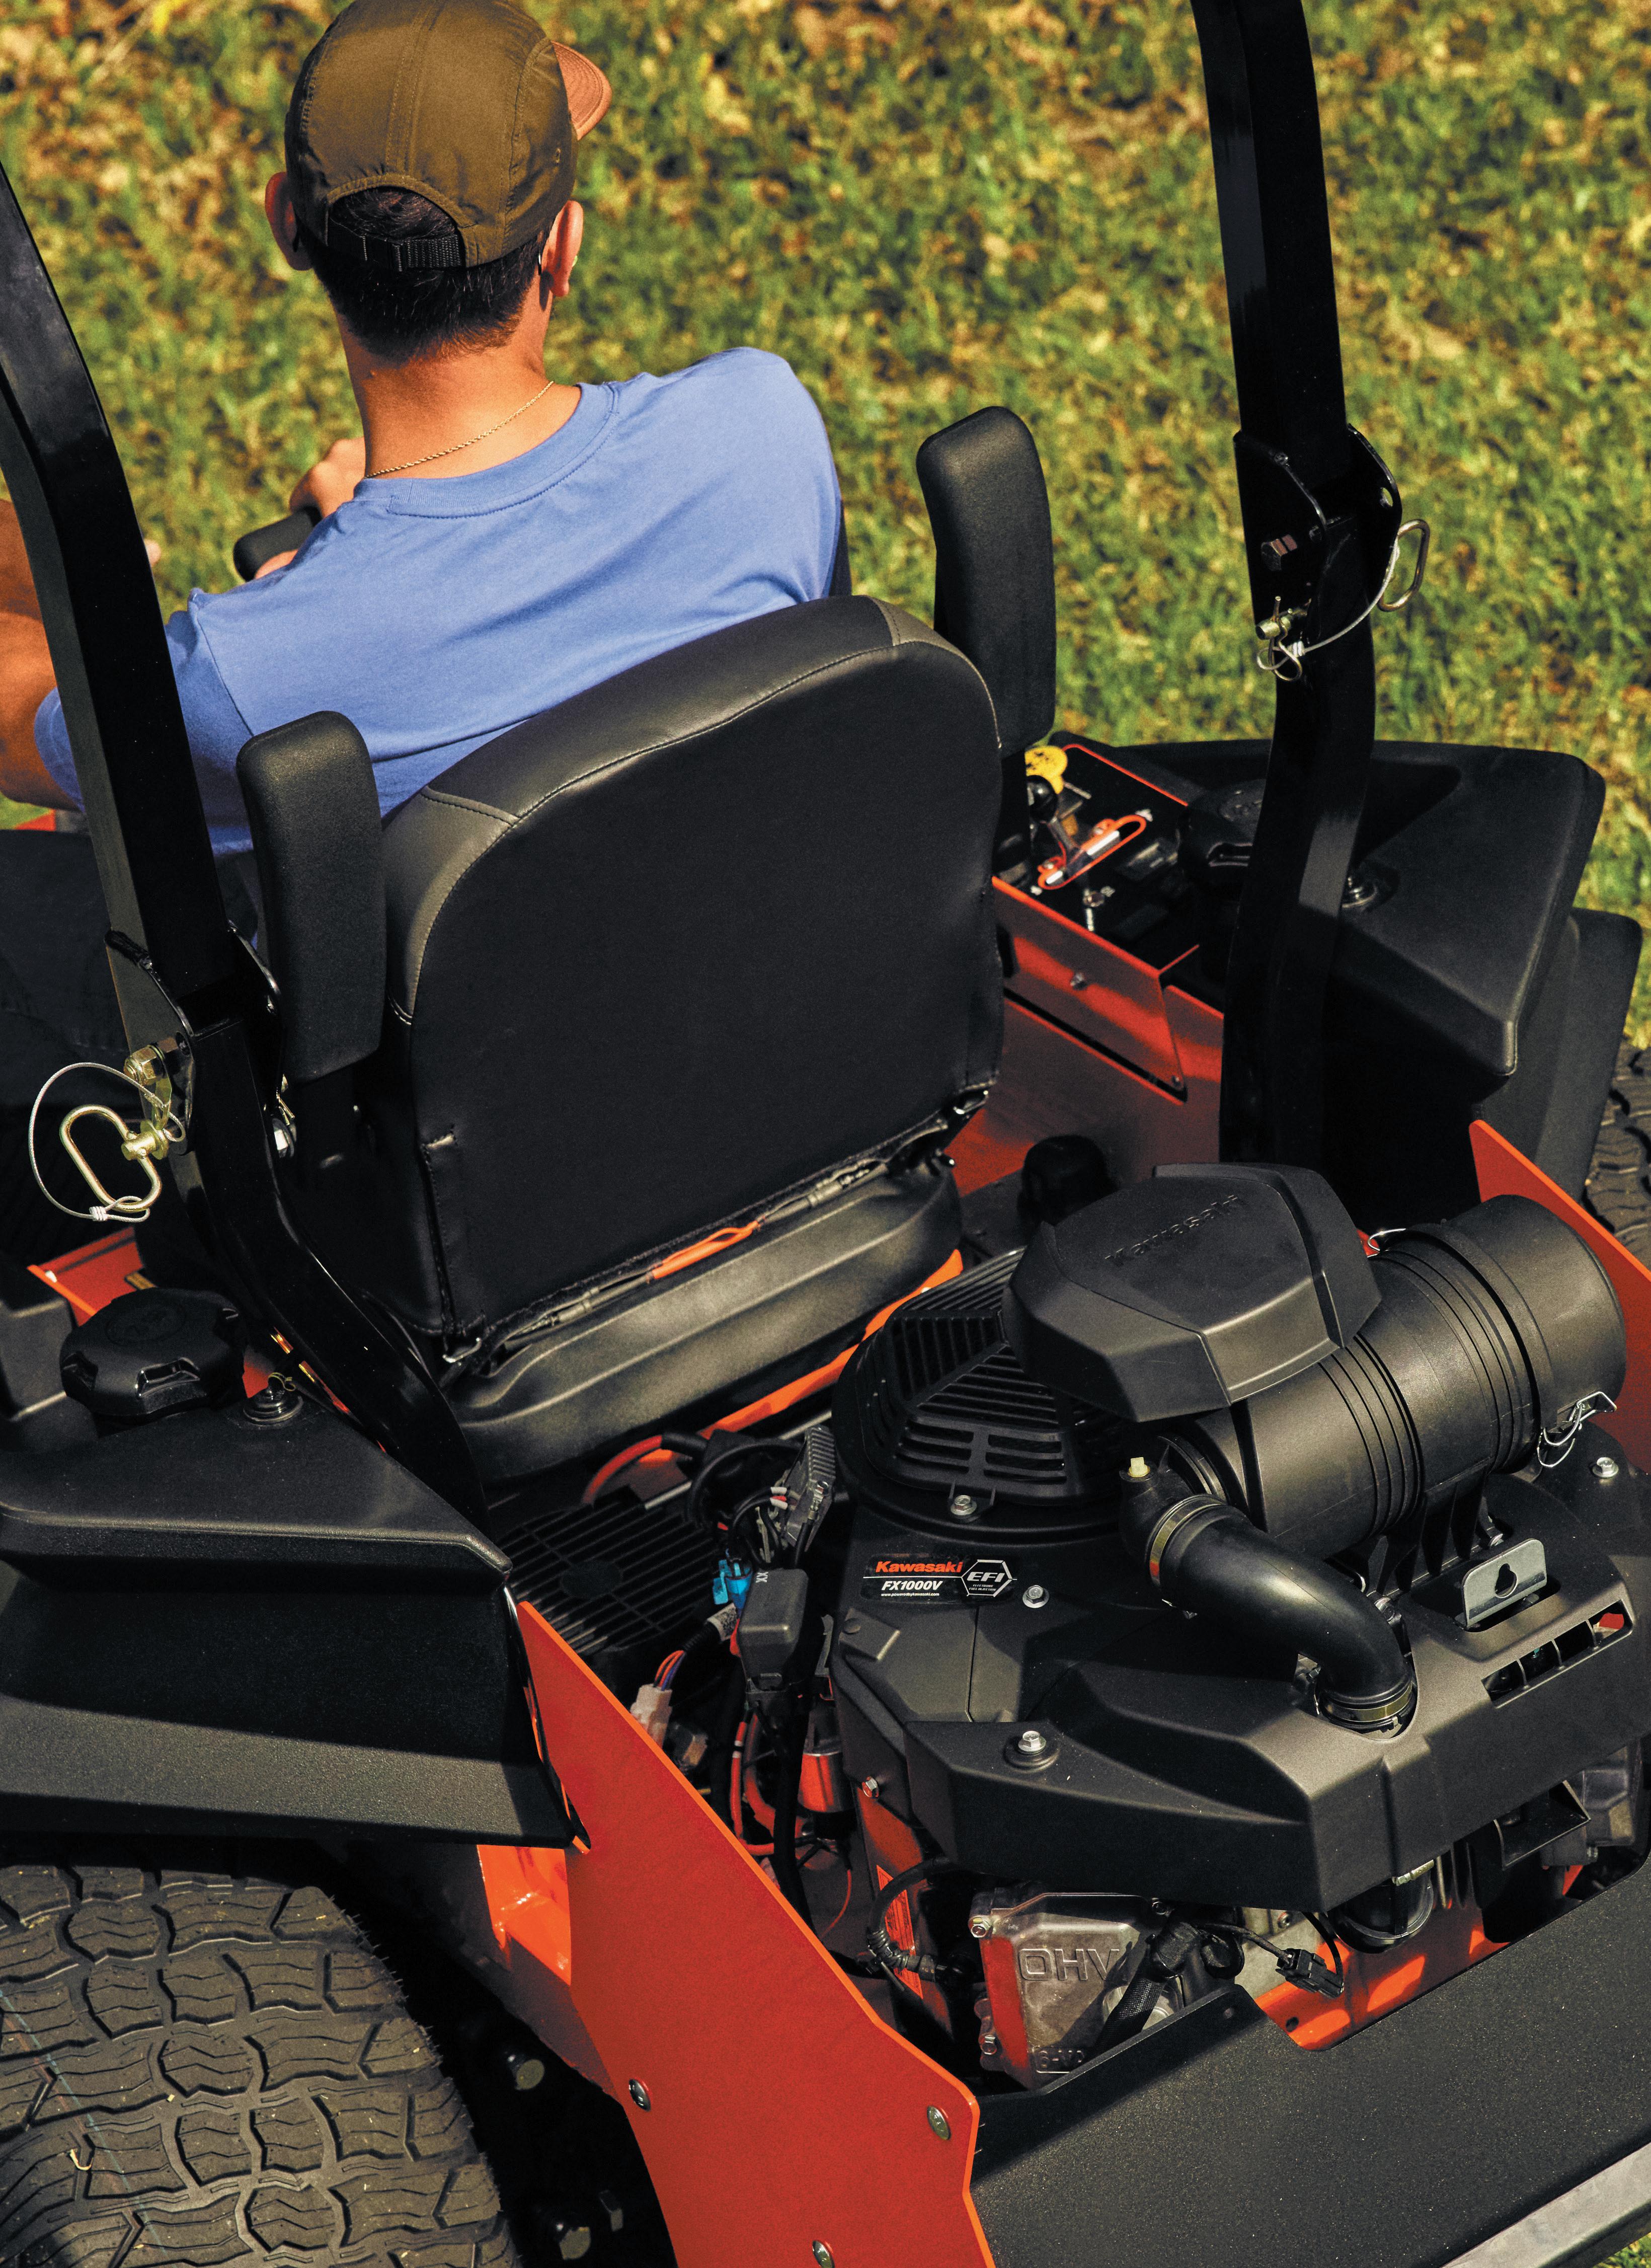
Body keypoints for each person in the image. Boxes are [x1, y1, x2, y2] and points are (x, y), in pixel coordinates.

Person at [0, 0, 842, 1258]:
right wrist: (376, 561)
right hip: (759, 1068)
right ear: (564, 245)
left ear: (288, 227)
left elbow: (26, 723)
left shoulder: (249, 686)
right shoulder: (764, 430)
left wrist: (317, 588)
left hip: (463, 1212)